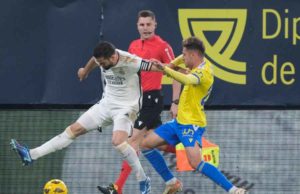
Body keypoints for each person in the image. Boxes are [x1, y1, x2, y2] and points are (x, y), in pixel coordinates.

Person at [10, 41, 158, 194]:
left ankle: (143, 179)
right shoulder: (102, 59)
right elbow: (94, 60)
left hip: (126, 108)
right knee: (74, 129)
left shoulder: (130, 61)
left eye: (103, 62)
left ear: (113, 57)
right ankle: (32, 155)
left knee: (118, 142)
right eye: (99, 62)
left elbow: (156, 67)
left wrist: (171, 68)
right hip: (106, 105)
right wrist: (85, 71)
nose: (100, 64)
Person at [141, 36, 248, 194]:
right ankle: (171, 182)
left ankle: (233, 190)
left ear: (193, 55)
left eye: (184, 54)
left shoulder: (204, 73)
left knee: (195, 162)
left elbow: (186, 79)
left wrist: (165, 69)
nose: (182, 57)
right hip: (179, 121)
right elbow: (175, 63)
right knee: (145, 144)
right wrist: (165, 65)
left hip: (191, 123)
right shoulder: (196, 59)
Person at [97, 10, 182, 194]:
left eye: (148, 24)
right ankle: (187, 158)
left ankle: (117, 188)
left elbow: (177, 73)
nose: (145, 28)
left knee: (131, 142)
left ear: (155, 25)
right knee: (152, 143)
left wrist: (175, 102)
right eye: (142, 25)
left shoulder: (163, 46)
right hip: (136, 101)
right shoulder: (133, 45)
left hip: (152, 99)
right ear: (137, 26)